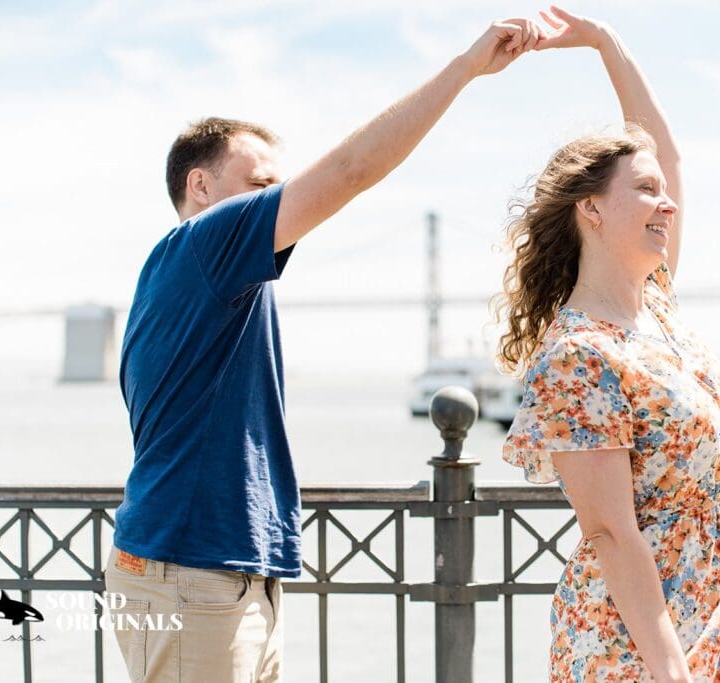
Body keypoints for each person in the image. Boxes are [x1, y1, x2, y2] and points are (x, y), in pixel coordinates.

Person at [105, 17, 545, 683]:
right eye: (260, 183)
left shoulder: (202, 278)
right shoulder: (204, 243)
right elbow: (349, 171)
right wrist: (465, 68)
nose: (276, 200)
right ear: (200, 187)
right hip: (192, 573)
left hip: (220, 573)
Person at [496, 7, 720, 682]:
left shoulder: (658, 308)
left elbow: (666, 153)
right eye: (645, 192)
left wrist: (606, 43)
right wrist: (672, 671)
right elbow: (611, 532)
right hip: (641, 643)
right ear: (591, 208)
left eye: (665, 193)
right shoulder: (580, 355)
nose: (667, 203)